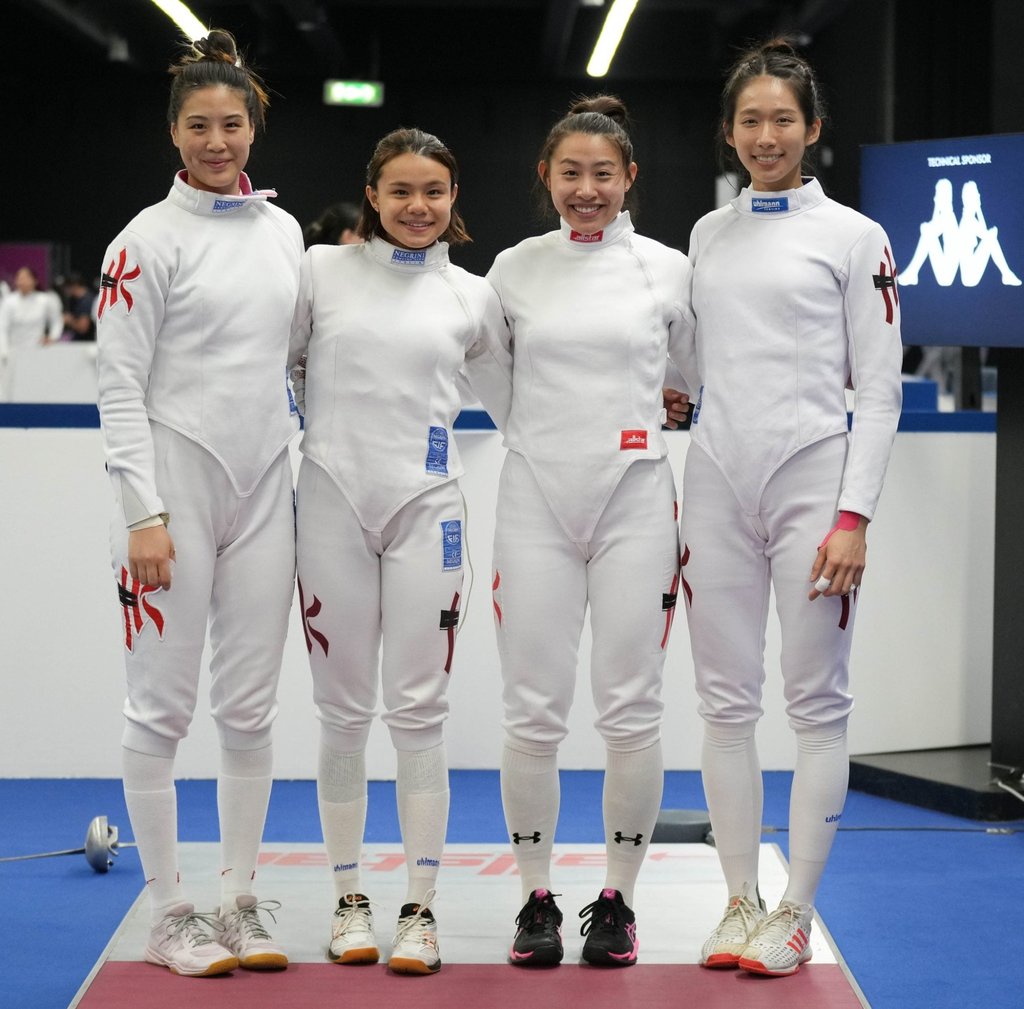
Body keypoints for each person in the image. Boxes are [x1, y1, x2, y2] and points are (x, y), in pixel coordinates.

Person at [679, 38, 903, 977]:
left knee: (816, 706)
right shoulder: (705, 234)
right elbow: (695, 366)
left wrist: (853, 515)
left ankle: (797, 910)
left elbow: (881, 388)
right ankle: (740, 899)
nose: (766, 135)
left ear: (813, 128)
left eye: (783, 119)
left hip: (814, 486)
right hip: (716, 484)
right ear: (729, 132)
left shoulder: (855, 236)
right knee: (724, 704)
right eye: (750, 120)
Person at [95, 29, 302, 979]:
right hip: (173, 496)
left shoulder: (282, 231)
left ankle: (238, 895)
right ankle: (169, 908)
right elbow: (119, 386)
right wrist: (142, 512)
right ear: (174, 133)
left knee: (251, 709)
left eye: (232, 124)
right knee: (162, 707)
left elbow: (295, 360)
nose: (218, 141)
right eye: (199, 126)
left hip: (266, 490)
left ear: (253, 126)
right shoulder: (144, 241)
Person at [288, 128, 512, 976]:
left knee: (420, 711)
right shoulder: (319, 272)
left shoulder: (474, 295)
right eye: (401, 191)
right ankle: (348, 898)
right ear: (372, 195)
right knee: (342, 709)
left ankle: (421, 907)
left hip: (430, 511)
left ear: (454, 201)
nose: (418, 206)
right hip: (329, 505)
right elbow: (264, 362)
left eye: (435, 192)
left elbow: (524, 404)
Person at [485, 95, 693, 968]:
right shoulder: (512, 269)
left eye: (603, 173)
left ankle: (619, 900)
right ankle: (536, 898)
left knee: (630, 708)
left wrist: (660, 415)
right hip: (534, 498)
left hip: (637, 500)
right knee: (532, 711)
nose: (586, 189)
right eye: (570, 173)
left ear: (630, 177)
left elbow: (692, 376)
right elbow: (497, 385)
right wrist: (545, 443)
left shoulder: (669, 269)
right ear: (546, 177)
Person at [0, 266, 63, 399]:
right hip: (13, 351)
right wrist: (4, 351)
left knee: (36, 387)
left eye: (25, 278)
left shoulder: (45, 300)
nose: (21, 281)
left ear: (34, 281)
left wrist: (52, 337)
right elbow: (2, 327)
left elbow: (57, 321)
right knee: (9, 389)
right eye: (19, 278)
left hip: (37, 350)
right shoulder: (9, 302)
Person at [61, 272, 98, 341]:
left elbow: (83, 328)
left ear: (74, 285)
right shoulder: (76, 300)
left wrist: (69, 320)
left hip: (87, 344)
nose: (64, 290)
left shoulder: (86, 301)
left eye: (66, 286)